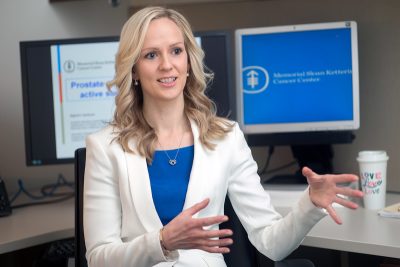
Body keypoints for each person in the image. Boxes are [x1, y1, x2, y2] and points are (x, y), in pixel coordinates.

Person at [83, 6, 363, 267]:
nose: (167, 65)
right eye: (151, 55)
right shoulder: (106, 146)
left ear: (189, 61)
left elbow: (271, 242)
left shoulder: (226, 138)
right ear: (133, 69)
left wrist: (310, 204)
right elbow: (98, 258)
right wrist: (162, 242)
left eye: (176, 51)